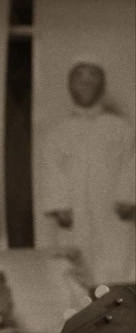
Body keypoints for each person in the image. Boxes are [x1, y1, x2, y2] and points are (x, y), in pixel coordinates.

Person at [42, 57, 136, 286]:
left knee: (118, 259)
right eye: (78, 77)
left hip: (113, 208)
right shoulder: (57, 132)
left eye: (93, 76)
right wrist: (60, 203)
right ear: (69, 85)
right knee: (76, 264)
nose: (85, 82)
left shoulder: (121, 128)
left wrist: (128, 196)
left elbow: (132, 162)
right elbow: (51, 169)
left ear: (103, 84)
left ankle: (117, 302)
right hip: (74, 210)